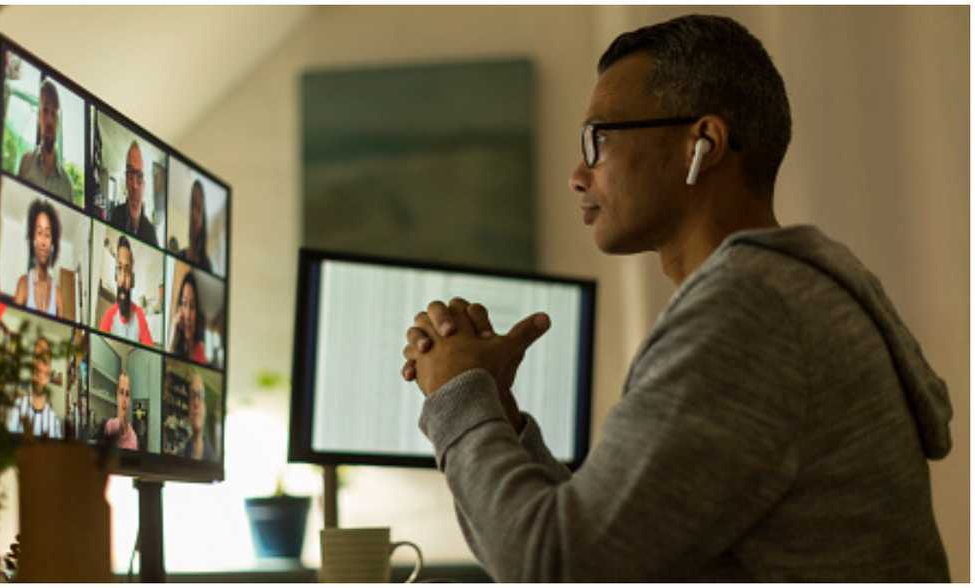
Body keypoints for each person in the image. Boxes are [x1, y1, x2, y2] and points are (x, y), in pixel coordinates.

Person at [399, 15, 951, 581]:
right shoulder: (786, 293)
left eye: (599, 139)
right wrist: (497, 410)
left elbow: (560, 566)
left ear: (703, 144)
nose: (577, 174)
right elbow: (620, 549)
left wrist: (458, 396)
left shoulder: (748, 313)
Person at [17, 79, 74, 201]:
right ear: (39, 117)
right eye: (45, 111)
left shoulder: (67, 185)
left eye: (54, 113)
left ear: (58, 122)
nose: (49, 120)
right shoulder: (25, 163)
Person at [99, 236, 154, 346]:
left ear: (133, 280)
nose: (123, 279)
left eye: (127, 270)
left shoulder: (139, 315)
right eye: (119, 269)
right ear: (116, 276)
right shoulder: (108, 317)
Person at [6, 335, 63, 439]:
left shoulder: (53, 421)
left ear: (49, 371)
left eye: (45, 360)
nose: (40, 366)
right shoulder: (16, 407)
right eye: (36, 359)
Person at [14, 199, 64, 317]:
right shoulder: (23, 283)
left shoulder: (58, 293)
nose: (43, 242)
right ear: (33, 240)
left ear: (52, 244)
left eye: (47, 235)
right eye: (39, 232)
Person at [108, 141, 158, 246]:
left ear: (145, 184)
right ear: (126, 179)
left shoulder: (151, 233)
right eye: (130, 175)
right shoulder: (115, 214)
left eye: (139, 176)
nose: (134, 185)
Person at [168, 270, 207, 364]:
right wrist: (172, 338)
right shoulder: (173, 345)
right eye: (184, 304)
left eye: (192, 306)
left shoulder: (201, 351)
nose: (188, 315)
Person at [179, 179, 212, 272]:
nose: (193, 214)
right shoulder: (179, 255)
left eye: (198, 208)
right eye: (192, 205)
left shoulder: (207, 266)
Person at [102, 371, 138, 450]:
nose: (124, 400)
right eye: (121, 392)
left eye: (127, 394)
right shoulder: (109, 426)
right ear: (117, 396)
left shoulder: (133, 439)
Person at [184, 371, 216, 461]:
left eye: (200, 395)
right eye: (192, 396)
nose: (196, 403)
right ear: (189, 409)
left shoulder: (215, 460)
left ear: (205, 408)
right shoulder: (179, 455)